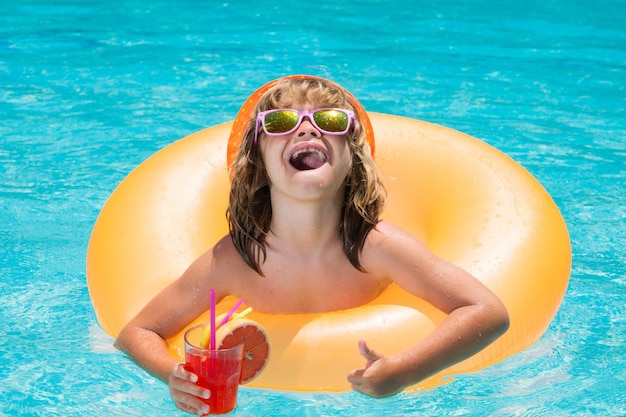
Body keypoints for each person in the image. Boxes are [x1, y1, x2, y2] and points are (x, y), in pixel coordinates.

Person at [115, 75, 510, 416]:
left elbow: (487, 310)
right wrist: (174, 376)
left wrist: (406, 369)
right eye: (282, 122)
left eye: (330, 120)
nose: (306, 130)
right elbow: (137, 333)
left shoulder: (373, 247)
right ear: (258, 160)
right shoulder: (236, 260)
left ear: (351, 158)